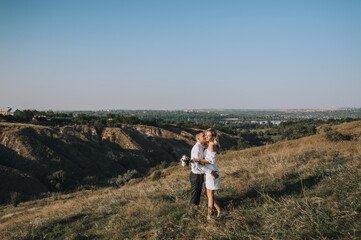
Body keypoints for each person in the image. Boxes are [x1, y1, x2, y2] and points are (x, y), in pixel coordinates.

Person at [192, 128, 221, 220]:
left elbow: (209, 161)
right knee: (207, 193)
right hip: (209, 171)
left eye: (208, 136)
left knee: (210, 194)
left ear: (213, 137)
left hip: (211, 171)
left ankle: (210, 215)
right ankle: (220, 210)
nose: (206, 137)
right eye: (206, 135)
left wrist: (198, 160)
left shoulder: (211, 145)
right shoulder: (208, 145)